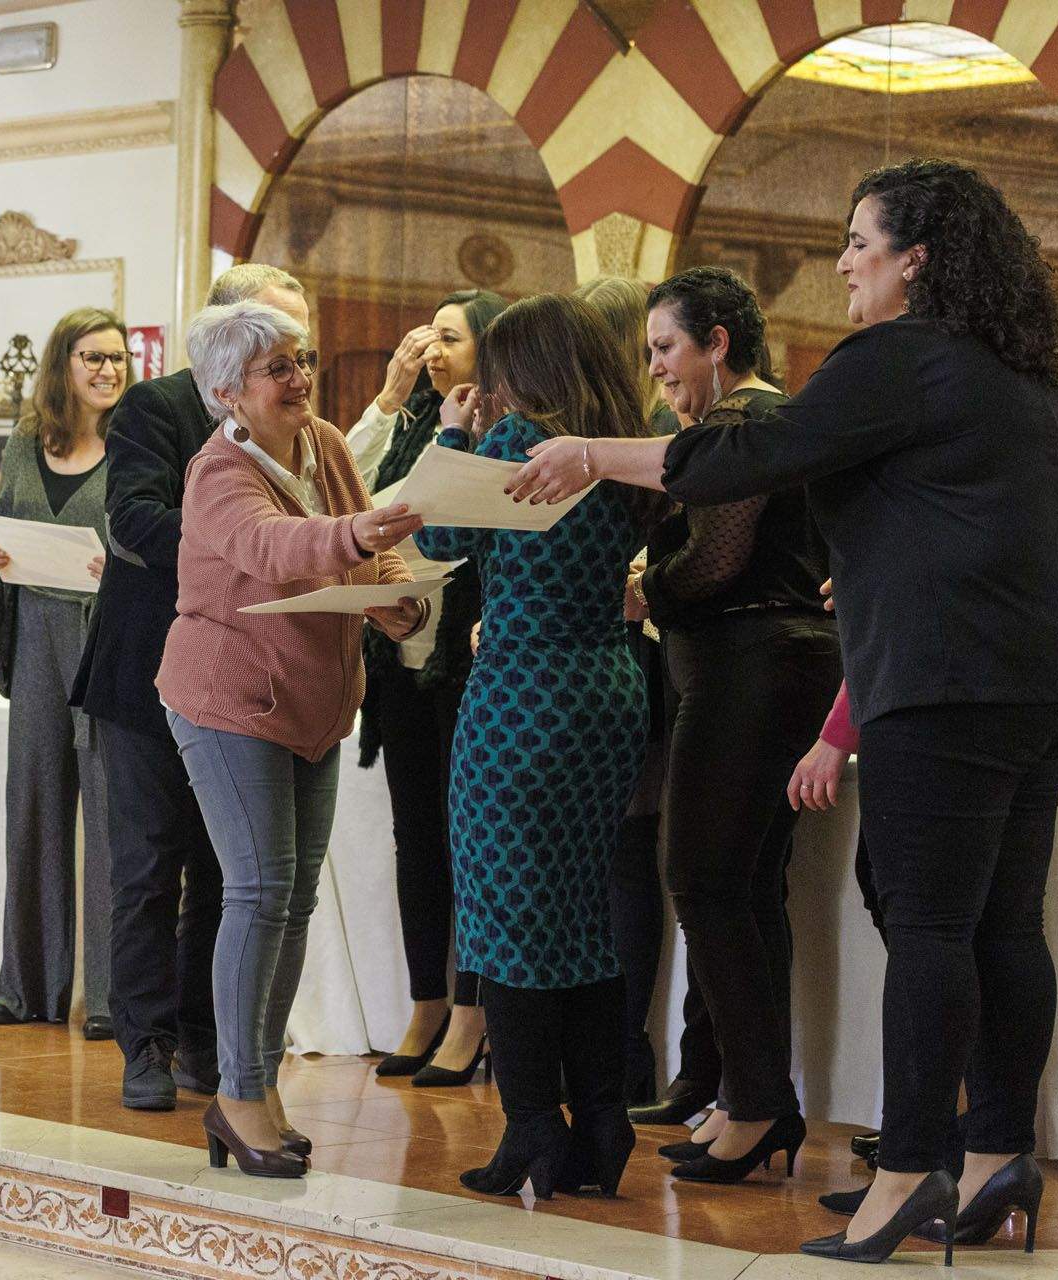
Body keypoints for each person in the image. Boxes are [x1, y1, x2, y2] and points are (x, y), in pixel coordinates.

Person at [510, 158, 1058, 1263]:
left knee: (931, 926)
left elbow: (752, 453)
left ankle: (905, 1176)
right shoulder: (1016, 367)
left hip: (948, 682)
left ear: (913, 262)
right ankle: (991, 1158)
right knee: (1003, 924)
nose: (841, 263)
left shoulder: (899, 357)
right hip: (1049, 675)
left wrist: (594, 453)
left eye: (858, 244)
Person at [158, 299, 425, 1178]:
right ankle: (237, 1094)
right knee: (258, 888)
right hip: (228, 697)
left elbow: (367, 553)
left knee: (293, 898)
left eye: (302, 361)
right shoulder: (214, 472)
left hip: (311, 704)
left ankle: (255, 1087)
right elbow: (270, 546)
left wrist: (398, 594)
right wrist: (357, 536)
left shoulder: (328, 445)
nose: (301, 379)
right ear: (229, 391)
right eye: (279, 369)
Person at [415, 293, 661, 1203]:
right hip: (607, 689)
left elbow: (432, 535)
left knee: (504, 917)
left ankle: (530, 1128)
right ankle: (603, 1120)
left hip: (523, 693)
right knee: (580, 913)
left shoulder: (515, 446)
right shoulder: (616, 451)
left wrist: (450, 432)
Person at [69, 264, 311, 1110]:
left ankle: (210, 1042)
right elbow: (132, 517)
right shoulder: (156, 407)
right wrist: (242, 542)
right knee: (144, 869)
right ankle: (145, 1042)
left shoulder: (298, 427)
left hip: (246, 679)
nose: (294, 368)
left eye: (298, 350)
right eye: (276, 346)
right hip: (145, 671)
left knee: (227, 872)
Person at [626, 268, 839, 1185]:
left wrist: (640, 591)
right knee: (745, 887)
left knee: (705, 880)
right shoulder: (758, 422)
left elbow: (716, 562)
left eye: (666, 349)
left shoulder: (738, 426)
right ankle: (756, 1100)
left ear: (718, 342)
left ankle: (754, 1105)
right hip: (777, 667)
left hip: (751, 666)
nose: (658, 372)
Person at [345, 288, 504, 1087]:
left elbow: (429, 520)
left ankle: (473, 1013)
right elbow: (343, 503)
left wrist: (447, 440)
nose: (433, 349)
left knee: (469, 839)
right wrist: (394, 398)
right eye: (428, 335)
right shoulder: (410, 423)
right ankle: (426, 1000)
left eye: (452, 337)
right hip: (399, 657)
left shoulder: (494, 429)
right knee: (417, 836)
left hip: (468, 658)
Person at [0, 308, 130, 1036]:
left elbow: (160, 545)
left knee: (110, 815)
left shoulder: (135, 448)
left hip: (106, 641)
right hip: (35, 632)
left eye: (118, 359)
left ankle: (107, 997)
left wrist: (120, 570)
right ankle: (28, 987)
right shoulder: (27, 447)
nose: (107, 370)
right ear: (63, 366)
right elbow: (3, 531)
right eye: (93, 357)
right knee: (32, 806)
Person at [574, 274, 675, 1108]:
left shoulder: (661, 435)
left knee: (625, 861)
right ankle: (604, 1048)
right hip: (605, 665)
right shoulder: (584, 436)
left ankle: (624, 1050)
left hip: (645, 667)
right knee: (611, 862)